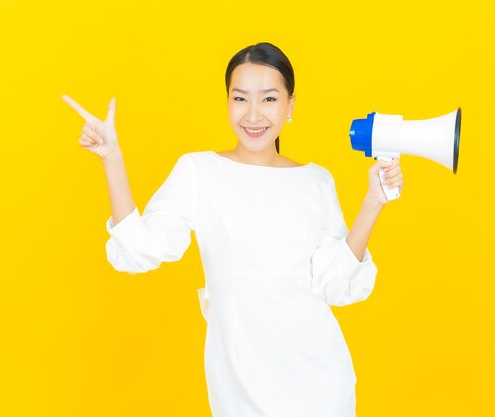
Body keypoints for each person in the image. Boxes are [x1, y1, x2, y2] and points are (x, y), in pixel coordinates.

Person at [62, 42, 403, 417]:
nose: (253, 114)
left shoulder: (316, 181)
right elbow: (139, 249)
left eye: (269, 99)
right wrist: (113, 158)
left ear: (290, 105)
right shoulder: (198, 172)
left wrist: (373, 202)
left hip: (318, 381)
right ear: (227, 101)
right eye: (240, 98)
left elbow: (336, 284)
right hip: (239, 380)